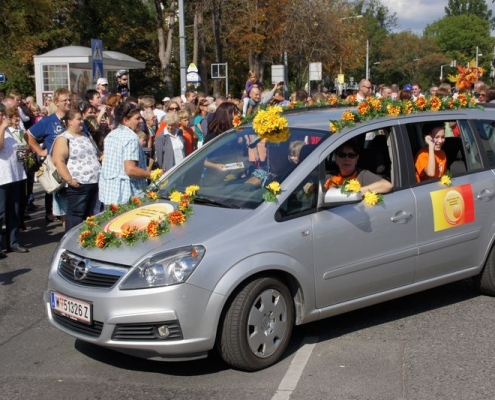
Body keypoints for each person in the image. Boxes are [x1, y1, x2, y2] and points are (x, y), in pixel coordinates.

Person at [26, 88, 72, 223]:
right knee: (64, 207)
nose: (68, 102)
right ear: (57, 102)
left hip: (75, 167)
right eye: (65, 100)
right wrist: (40, 152)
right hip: (58, 168)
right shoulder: (48, 121)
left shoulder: (73, 118)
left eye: (70, 99)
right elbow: (28, 135)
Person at [52, 108, 101, 232]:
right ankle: (72, 244)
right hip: (78, 184)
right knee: (76, 216)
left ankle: (86, 243)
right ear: (70, 122)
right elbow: (58, 161)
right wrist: (70, 180)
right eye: (79, 119)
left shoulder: (86, 135)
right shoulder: (63, 138)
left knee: (90, 216)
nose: (82, 122)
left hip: (94, 182)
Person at [99, 102, 151, 205]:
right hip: (126, 196)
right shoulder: (130, 138)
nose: (141, 121)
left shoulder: (111, 135)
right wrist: (152, 175)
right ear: (126, 120)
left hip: (110, 194)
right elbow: (130, 169)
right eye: (137, 118)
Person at [0, 104, 29, 254]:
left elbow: (19, 147)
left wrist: (24, 152)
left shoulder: (11, 131)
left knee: (15, 211)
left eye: (2, 114)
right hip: (2, 178)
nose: (3, 117)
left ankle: (13, 242)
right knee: (1, 212)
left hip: (15, 175)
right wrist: (2, 128)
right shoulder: (3, 130)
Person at [325, 141, 392, 194]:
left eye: (351, 155)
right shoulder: (329, 176)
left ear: (357, 159)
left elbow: (387, 185)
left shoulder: (362, 175)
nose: (347, 159)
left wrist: (356, 192)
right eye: (342, 155)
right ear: (336, 158)